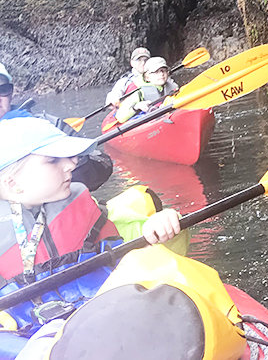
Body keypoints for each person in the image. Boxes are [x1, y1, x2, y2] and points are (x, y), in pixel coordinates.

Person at [0, 117, 180, 357]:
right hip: (25, 339)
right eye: (53, 160)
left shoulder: (89, 207)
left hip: (108, 316)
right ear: (12, 183)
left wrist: (163, 224)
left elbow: (158, 253)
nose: (72, 163)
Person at [0, 64, 112, 193]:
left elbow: (101, 165)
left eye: (2, 89)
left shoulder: (47, 126)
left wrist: (61, 167)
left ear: (10, 93)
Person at [111, 57, 178, 126]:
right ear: (147, 77)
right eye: (156, 71)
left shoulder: (174, 87)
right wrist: (136, 106)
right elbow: (120, 117)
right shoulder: (140, 93)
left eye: (163, 70)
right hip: (152, 126)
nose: (161, 74)